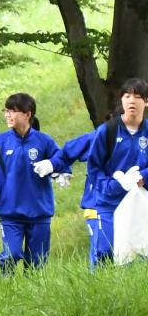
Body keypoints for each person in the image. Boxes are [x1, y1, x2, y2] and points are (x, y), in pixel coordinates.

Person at [43, 78, 148, 267]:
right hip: (103, 202)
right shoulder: (107, 131)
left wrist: (142, 178)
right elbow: (86, 159)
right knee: (104, 252)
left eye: (138, 97)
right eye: (127, 96)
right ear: (121, 101)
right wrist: (55, 165)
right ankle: (98, 292)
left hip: (136, 202)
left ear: (146, 101)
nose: (132, 101)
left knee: (134, 256)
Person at [0, 94, 63, 272]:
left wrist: (57, 170)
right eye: (5, 111)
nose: (7, 115)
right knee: (11, 255)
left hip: (39, 213)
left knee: (37, 265)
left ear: (27, 114)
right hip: (10, 213)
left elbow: (61, 162)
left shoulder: (44, 141)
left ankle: (34, 296)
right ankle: (7, 290)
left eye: (12, 111)